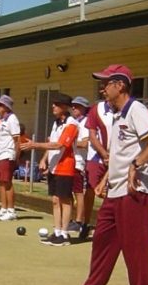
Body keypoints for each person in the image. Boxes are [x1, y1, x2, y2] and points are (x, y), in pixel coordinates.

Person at [58, 64, 148, 285]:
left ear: (120, 85)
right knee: (102, 244)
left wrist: (136, 165)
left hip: (134, 191)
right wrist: (106, 178)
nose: (102, 88)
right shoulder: (117, 114)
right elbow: (120, 153)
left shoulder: (136, 110)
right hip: (115, 190)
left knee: (135, 249)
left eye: (106, 83)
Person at [20, 93, 78, 246]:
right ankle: (57, 231)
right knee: (54, 200)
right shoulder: (56, 123)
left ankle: (65, 234)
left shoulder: (72, 124)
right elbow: (51, 143)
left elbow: (59, 145)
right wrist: (44, 159)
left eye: (57, 104)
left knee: (65, 200)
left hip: (65, 166)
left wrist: (35, 145)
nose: (53, 106)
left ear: (65, 107)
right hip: (54, 166)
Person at [84, 85, 115, 237]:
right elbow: (92, 135)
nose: (103, 91)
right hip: (97, 157)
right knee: (93, 190)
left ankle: (107, 225)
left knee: (112, 192)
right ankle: (85, 222)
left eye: (105, 88)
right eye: (101, 89)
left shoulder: (125, 110)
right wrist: (104, 154)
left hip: (118, 157)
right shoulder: (96, 109)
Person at [0, 95, 21, 221]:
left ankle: (11, 210)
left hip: (7, 155)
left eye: (0, 105)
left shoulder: (12, 119)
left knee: (7, 183)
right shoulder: (2, 120)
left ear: (6, 107)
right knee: (1, 182)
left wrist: (15, 156)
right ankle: (3, 208)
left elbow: (17, 139)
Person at [68, 96, 91, 239]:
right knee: (67, 192)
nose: (74, 108)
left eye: (77, 106)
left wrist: (68, 142)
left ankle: (79, 221)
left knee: (78, 192)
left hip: (79, 161)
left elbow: (86, 143)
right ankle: (69, 219)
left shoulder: (86, 123)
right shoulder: (73, 123)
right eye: (73, 106)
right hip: (69, 161)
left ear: (83, 108)